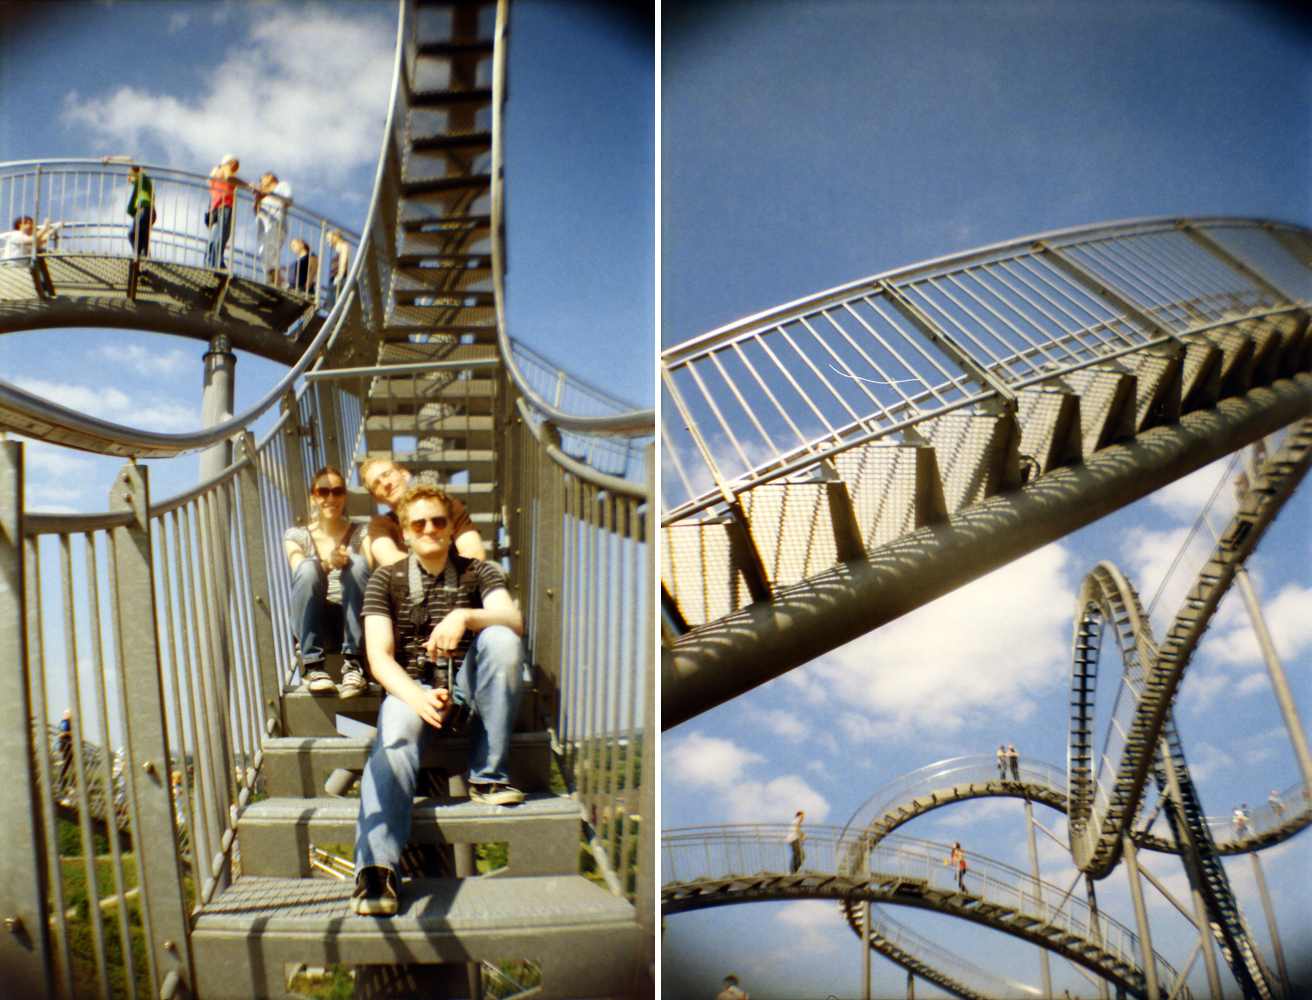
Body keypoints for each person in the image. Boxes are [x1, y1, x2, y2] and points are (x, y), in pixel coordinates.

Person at [351, 484, 526, 915]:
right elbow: (378, 657)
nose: (430, 528)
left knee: (502, 639)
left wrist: (465, 616)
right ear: (405, 534)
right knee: (391, 743)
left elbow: (513, 619)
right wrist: (417, 697)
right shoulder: (384, 579)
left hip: (468, 685)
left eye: (439, 521)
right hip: (411, 689)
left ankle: (487, 775)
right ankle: (376, 871)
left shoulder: (478, 572)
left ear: (451, 530)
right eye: (419, 523)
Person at [284, 466, 370, 697]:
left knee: (359, 563)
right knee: (309, 567)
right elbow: (301, 572)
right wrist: (329, 563)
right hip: (318, 621)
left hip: (353, 618)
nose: (331, 498)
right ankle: (312, 666)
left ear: (344, 496)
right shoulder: (296, 536)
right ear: (312, 498)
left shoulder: (362, 531)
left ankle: (354, 664)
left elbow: (368, 571)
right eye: (323, 492)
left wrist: (347, 561)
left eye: (338, 491)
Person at [360, 456, 486, 567]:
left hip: (458, 583)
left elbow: (475, 553)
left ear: (405, 475)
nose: (386, 483)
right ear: (376, 499)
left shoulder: (449, 507)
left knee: (493, 570)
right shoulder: (380, 524)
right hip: (410, 588)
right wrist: (429, 574)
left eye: (387, 474)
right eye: (376, 484)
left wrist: (440, 575)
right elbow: (388, 559)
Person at [205, 154, 244, 268]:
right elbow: (229, 178)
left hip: (214, 207)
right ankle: (217, 263)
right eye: (235, 164)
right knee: (222, 235)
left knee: (214, 235)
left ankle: (210, 262)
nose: (236, 168)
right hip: (224, 204)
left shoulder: (215, 173)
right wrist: (248, 185)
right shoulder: (225, 169)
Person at [254, 171, 292, 285]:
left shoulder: (281, 186)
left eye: (261, 179)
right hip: (264, 230)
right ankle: (273, 279)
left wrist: (269, 193)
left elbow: (288, 200)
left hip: (276, 225)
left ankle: (276, 282)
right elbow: (256, 211)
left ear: (270, 178)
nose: (259, 182)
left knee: (269, 252)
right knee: (265, 253)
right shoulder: (263, 195)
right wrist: (258, 197)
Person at [324, 229, 351, 308]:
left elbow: (343, 263)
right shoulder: (339, 250)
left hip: (338, 280)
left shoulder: (344, 246)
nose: (327, 241)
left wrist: (338, 279)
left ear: (336, 236)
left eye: (329, 238)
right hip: (334, 280)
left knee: (334, 307)